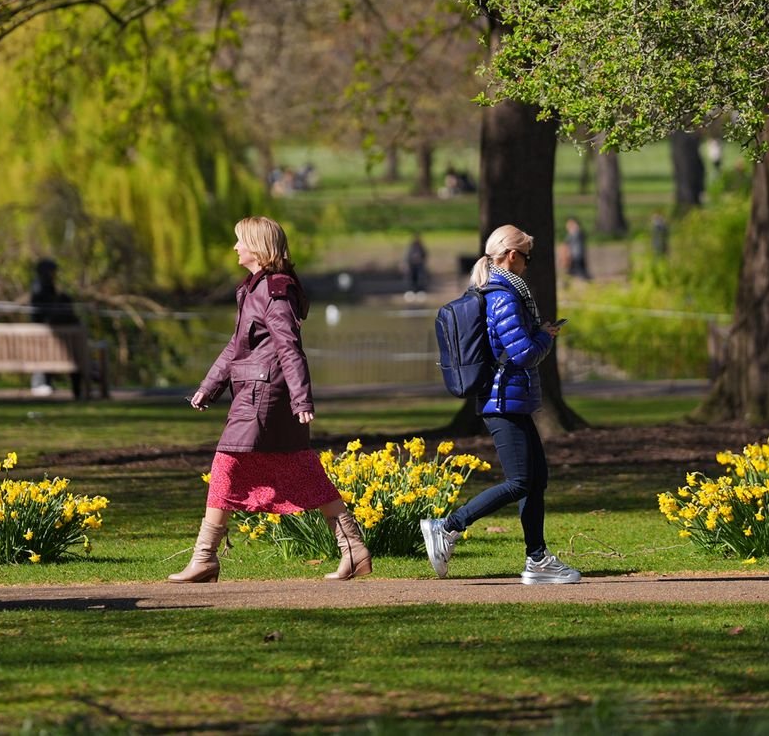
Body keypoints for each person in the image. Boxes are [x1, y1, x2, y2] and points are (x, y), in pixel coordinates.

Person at [174, 216, 371, 583]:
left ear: (258, 247)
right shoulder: (254, 289)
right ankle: (354, 549)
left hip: (263, 397)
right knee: (299, 467)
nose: (235, 247)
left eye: (240, 241)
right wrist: (208, 386)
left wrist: (301, 400)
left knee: (225, 466)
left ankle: (205, 558)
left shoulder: (275, 290)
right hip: (254, 393)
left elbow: (289, 347)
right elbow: (237, 346)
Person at [420, 224, 580, 585]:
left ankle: (537, 559)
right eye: (526, 257)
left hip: (511, 399)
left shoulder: (505, 291)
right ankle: (448, 527)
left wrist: (538, 334)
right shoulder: (504, 296)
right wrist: (545, 336)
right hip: (502, 400)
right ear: (511, 255)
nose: (527, 264)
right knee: (521, 481)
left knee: (536, 479)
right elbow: (522, 354)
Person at [28, 258, 81, 396]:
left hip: (46, 335)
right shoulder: (41, 287)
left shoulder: (41, 286)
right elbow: (42, 311)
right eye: (53, 271)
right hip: (46, 335)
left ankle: (45, 382)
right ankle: (41, 382)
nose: (55, 274)